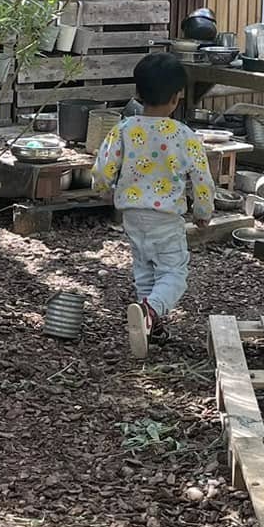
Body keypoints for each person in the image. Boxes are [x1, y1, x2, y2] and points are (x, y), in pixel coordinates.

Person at [89, 52, 217, 354]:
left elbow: (104, 165)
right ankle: (150, 311)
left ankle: (149, 327)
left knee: (145, 269)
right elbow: (202, 179)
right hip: (166, 217)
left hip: (132, 215)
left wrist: (102, 187)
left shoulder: (123, 128)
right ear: (176, 98)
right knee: (174, 274)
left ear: (137, 94)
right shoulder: (185, 136)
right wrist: (203, 212)